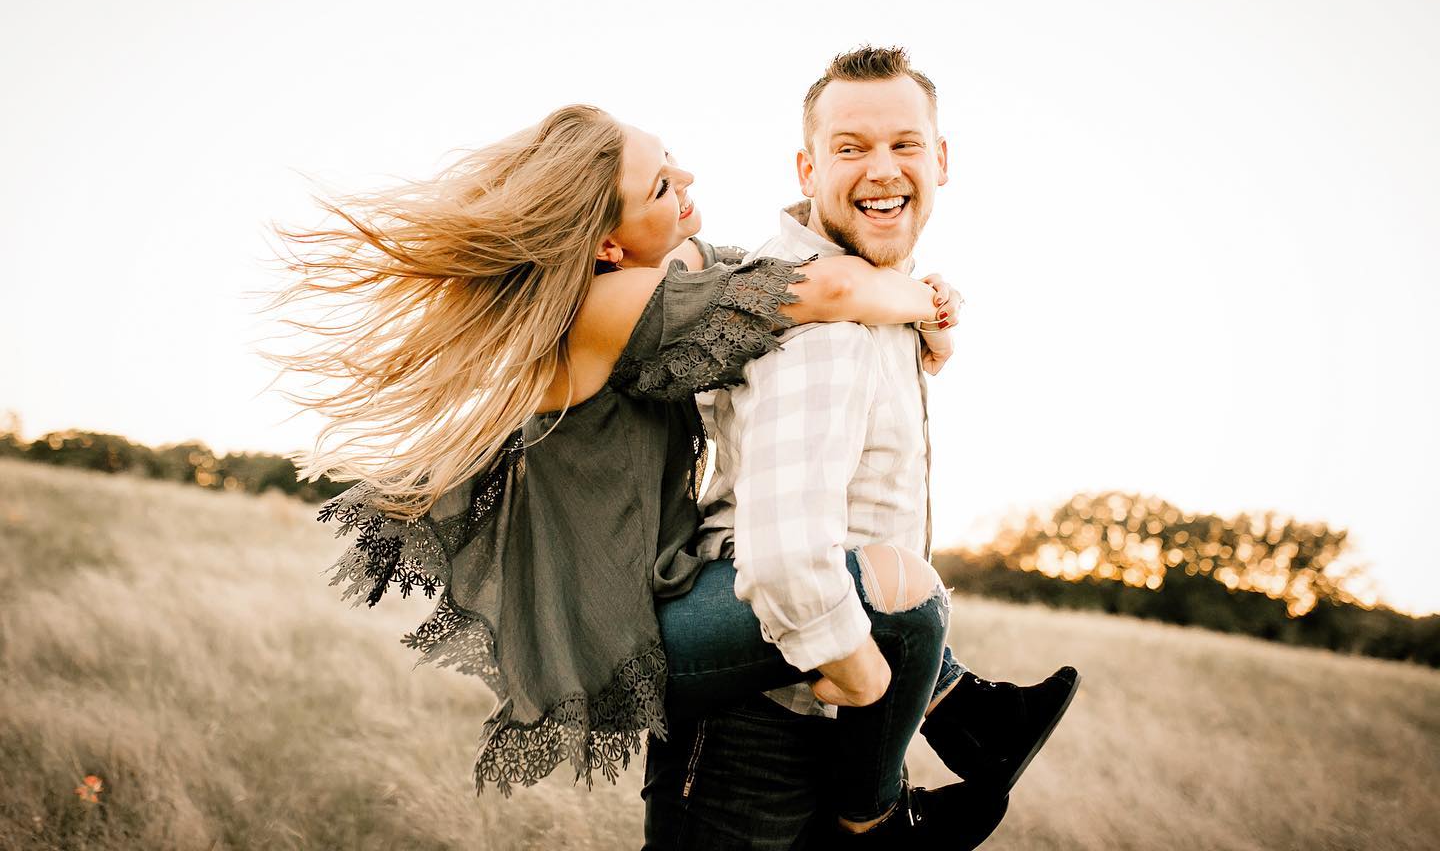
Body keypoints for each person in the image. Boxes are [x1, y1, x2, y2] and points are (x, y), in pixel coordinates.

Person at [271, 103, 982, 824]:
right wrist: (929, 301)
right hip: (644, 624)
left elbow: (758, 271)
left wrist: (926, 313)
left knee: (883, 600)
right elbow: (822, 289)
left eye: (671, 161)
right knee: (903, 598)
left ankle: (967, 722)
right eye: (662, 188)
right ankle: (881, 815)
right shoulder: (606, 301)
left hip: (675, 590)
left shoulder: (652, 277)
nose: (687, 179)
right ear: (608, 243)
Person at [642, 47, 1080, 848]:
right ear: (808, 168)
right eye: (851, 148)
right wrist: (870, 682)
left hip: (829, 702)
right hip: (764, 728)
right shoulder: (822, 319)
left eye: (905, 144)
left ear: (941, 159)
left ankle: (955, 728)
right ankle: (917, 772)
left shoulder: (875, 301)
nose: (883, 169)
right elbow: (782, 560)